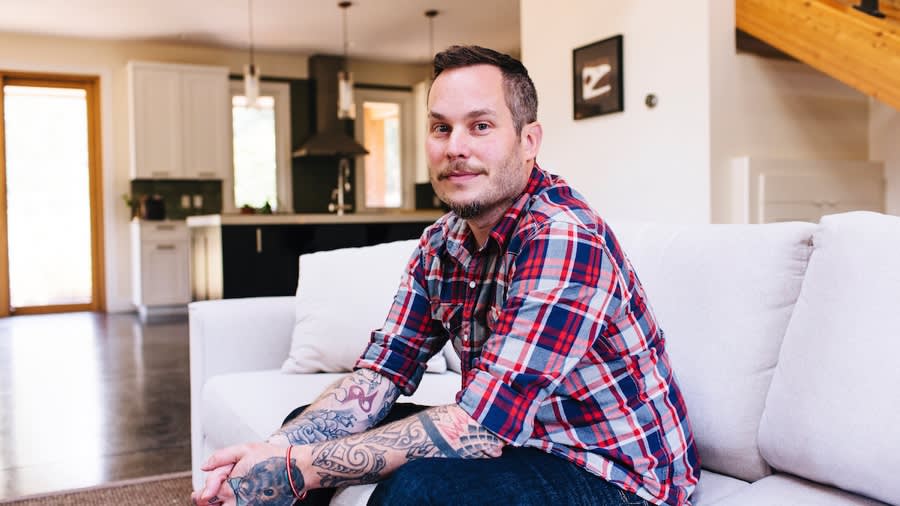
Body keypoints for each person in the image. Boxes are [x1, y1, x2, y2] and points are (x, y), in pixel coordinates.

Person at [193, 45, 700, 506]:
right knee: (303, 428)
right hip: (517, 439)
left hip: (614, 474)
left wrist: (296, 470)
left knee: (422, 491)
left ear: (529, 141)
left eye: (480, 126)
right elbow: (381, 373)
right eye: (441, 127)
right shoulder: (443, 243)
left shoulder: (563, 238)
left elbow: (476, 426)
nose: (455, 146)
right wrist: (273, 451)